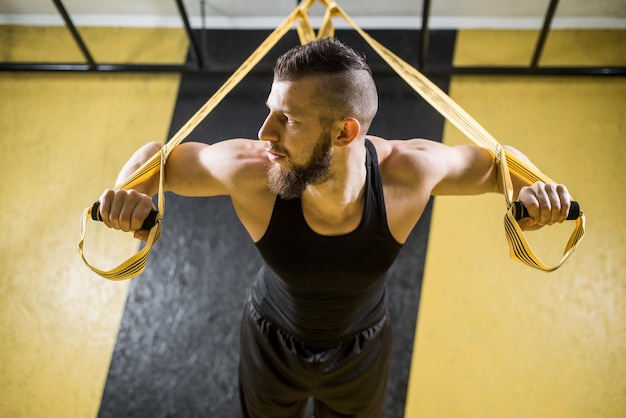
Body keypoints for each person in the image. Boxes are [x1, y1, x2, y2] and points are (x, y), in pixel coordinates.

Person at [97, 37, 573, 417]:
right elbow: (161, 159)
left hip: (362, 346)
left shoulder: (410, 172)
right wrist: (130, 193)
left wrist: (538, 193)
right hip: (270, 338)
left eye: (287, 119)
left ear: (345, 132)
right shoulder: (251, 170)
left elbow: (500, 166)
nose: (264, 132)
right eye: (269, 110)